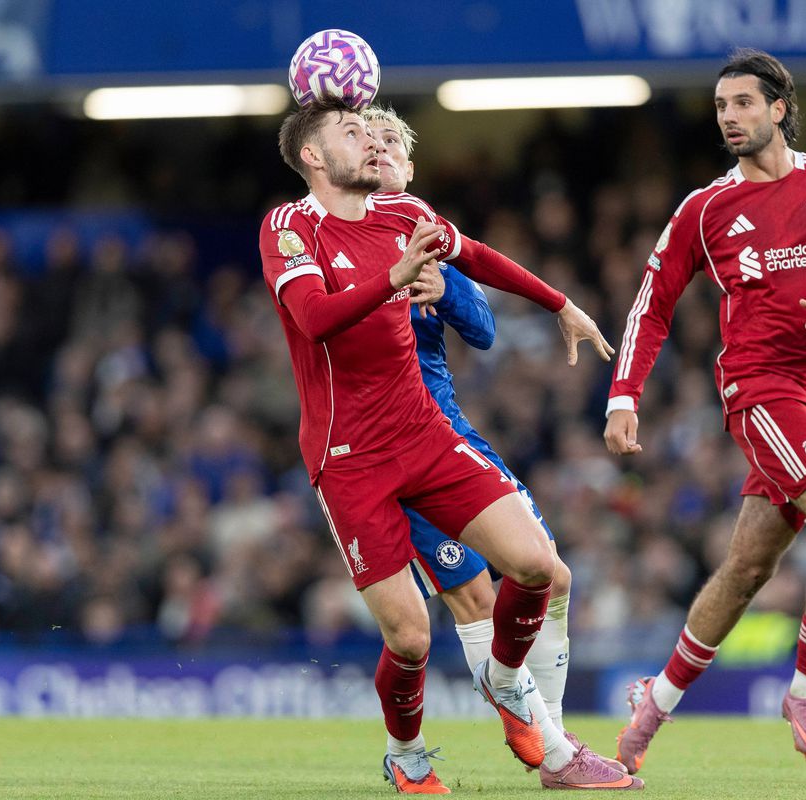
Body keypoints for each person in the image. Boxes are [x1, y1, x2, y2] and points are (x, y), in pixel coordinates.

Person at [260, 96, 617, 794]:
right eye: (353, 131)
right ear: (313, 155)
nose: (371, 142)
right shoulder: (289, 226)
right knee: (412, 636)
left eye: (376, 133)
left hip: (427, 434)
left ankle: (513, 691)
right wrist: (393, 280)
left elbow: (477, 269)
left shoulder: (406, 215)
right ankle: (409, 754)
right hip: (350, 458)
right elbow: (314, 318)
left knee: (540, 568)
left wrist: (561, 304)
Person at [603, 49, 806, 771]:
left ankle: (653, 704)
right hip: (761, 390)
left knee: (747, 567)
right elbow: (652, 305)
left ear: (779, 108)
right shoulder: (705, 209)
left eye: (743, 102)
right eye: (721, 106)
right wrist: (624, 396)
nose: (729, 117)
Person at [362, 104, 639, 790]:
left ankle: (552, 732)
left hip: (451, 434)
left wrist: (444, 290)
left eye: (392, 142)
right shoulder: (342, 243)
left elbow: (483, 329)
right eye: (367, 141)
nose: (380, 151)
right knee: (466, 606)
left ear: (411, 168)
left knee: (553, 578)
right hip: (391, 445)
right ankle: (550, 754)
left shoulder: (427, 237)